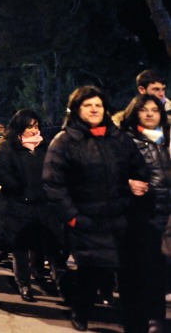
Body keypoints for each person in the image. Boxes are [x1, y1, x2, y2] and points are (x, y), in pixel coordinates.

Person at [43, 86, 148, 332]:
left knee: (128, 276)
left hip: (121, 221)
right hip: (87, 222)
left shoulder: (119, 139)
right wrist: (73, 219)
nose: (94, 109)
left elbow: (139, 169)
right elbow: (53, 184)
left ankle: (134, 324)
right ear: (77, 110)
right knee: (92, 274)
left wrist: (135, 190)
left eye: (98, 105)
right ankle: (81, 309)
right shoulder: (65, 141)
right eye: (87, 105)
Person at [0, 109, 65, 302]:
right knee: (20, 248)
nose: (34, 130)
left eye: (36, 126)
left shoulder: (45, 146)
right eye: (29, 126)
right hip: (18, 205)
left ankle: (59, 283)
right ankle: (23, 284)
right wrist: (19, 187)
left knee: (51, 245)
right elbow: (0, 173)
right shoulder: (7, 147)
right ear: (19, 128)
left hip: (43, 205)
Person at [118, 94, 171, 333]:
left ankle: (154, 318)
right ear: (134, 113)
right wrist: (126, 183)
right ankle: (141, 321)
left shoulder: (162, 139)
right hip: (139, 216)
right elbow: (109, 174)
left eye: (155, 110)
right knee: (139, 271)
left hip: (164, 215)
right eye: (144, 109)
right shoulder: (126, 141)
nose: (150, 114)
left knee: (159, 270)